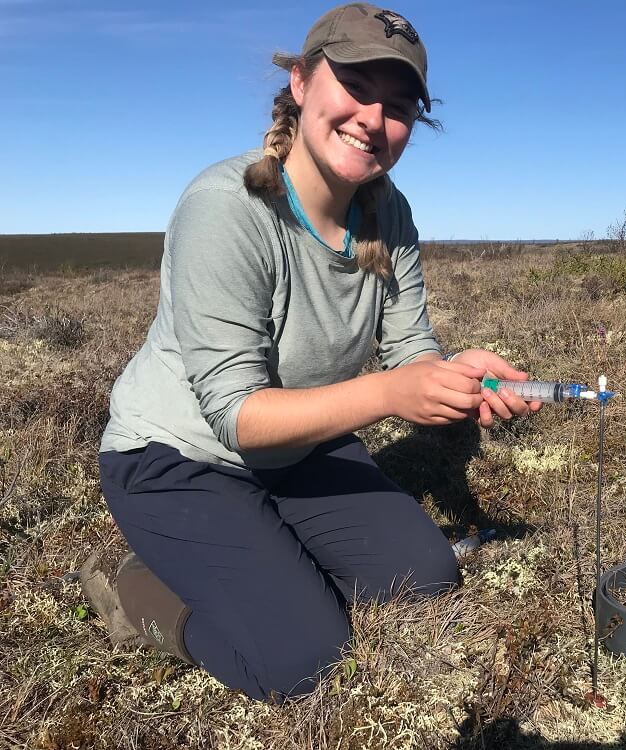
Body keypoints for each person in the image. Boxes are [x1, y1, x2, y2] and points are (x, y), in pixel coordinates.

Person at [81, 2, 541, 703]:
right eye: (355, 86)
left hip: (298, 449)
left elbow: (411, 348)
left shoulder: (390, 213)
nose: (373, 119)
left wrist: (455, 380)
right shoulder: (225, 207)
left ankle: (257, 558)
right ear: (300, 83)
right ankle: (134, 586)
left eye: (398, 106)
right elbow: (234, 416)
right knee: (304, 660)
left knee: (424, 580)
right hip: (178, 458)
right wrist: (391, 394)